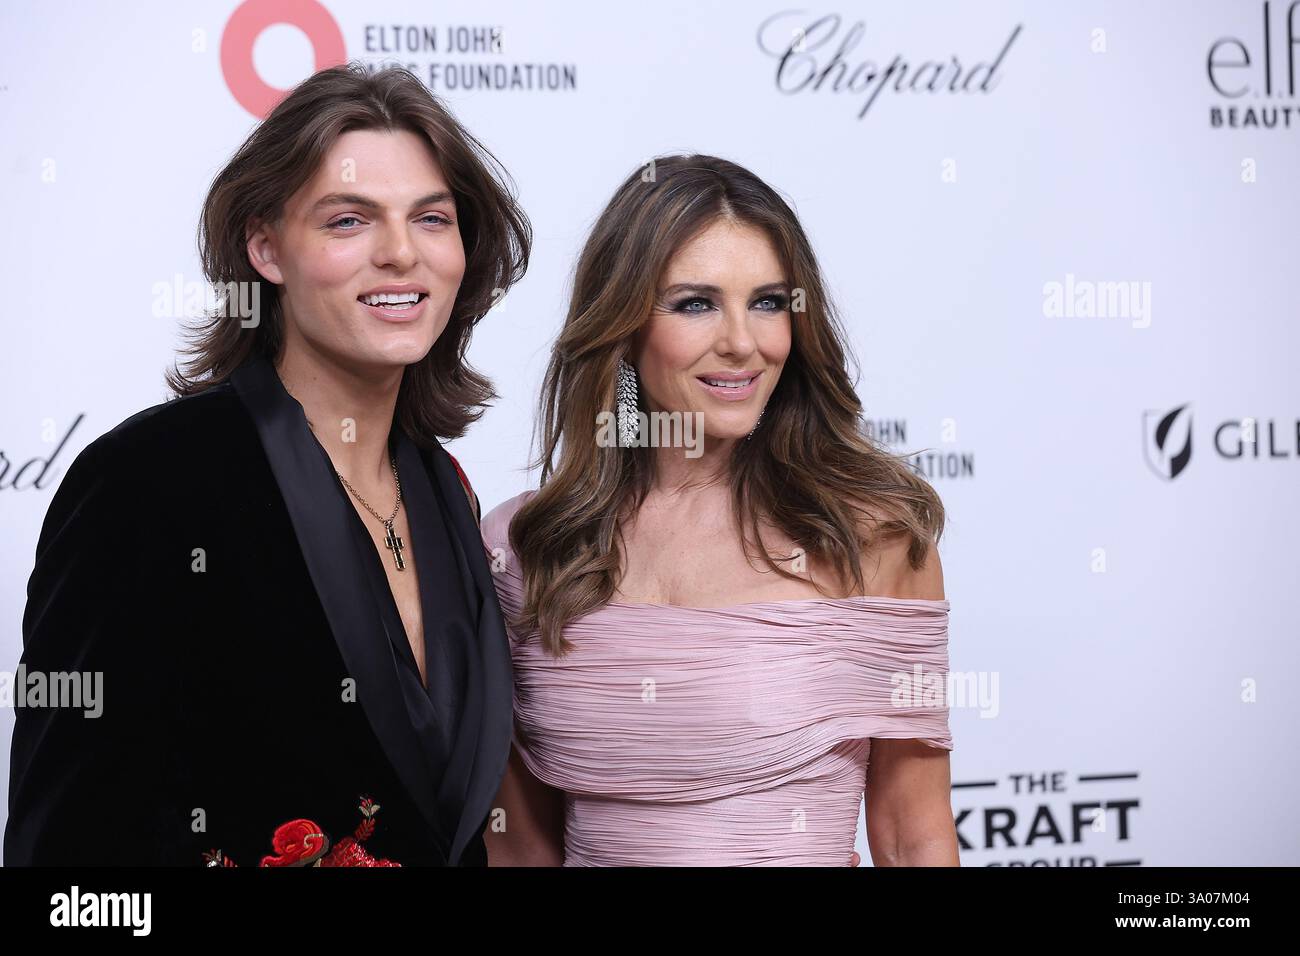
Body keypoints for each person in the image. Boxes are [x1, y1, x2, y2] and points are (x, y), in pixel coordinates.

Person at [4, 63, 530, 866]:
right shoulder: (146, 483)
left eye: (431, 218)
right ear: (265, 248)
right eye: (349, 221)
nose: (401, 254)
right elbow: (67, 857)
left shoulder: (446, 489)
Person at [482, 154, 956, 866]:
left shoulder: (876, 539)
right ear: (623, 327)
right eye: (695, 303)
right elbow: (521, 847)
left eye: (767, 302)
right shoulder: (527, 549)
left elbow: (912, 835)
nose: (742, 342)